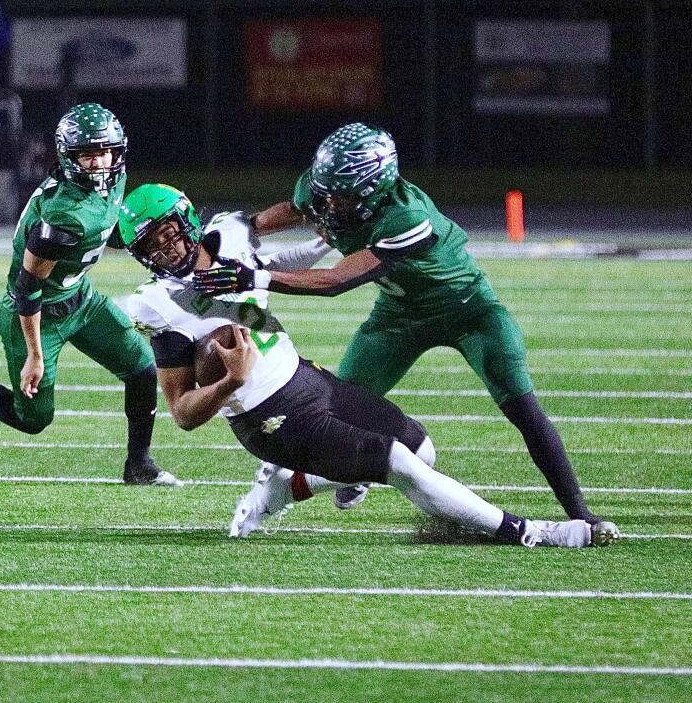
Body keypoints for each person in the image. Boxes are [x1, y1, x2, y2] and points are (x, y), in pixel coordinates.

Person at [193, 123, 618, 544]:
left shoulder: (407, 216)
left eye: (339, 196)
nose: (326, 204)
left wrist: (256, 278)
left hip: (468, 310)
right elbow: (293, 208)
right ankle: (298, 485)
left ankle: (582, 514)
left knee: (523, 409)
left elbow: (338, 280)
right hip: (398, 314)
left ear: (373, 190)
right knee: (341, 411)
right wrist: (239, 231)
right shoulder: (326, 187)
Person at [0, 103, 178, 485]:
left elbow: (104, 230)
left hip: (80, 298)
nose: (100, 163)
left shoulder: (112, 181)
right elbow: (28, 287)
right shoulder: (61, 217)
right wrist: (35, 354)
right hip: (38, 313)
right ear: (69, 158)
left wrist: (148, 246)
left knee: (140, 368)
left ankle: (139, 465)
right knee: (33, 419)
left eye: (105, 152)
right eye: (88, 155)